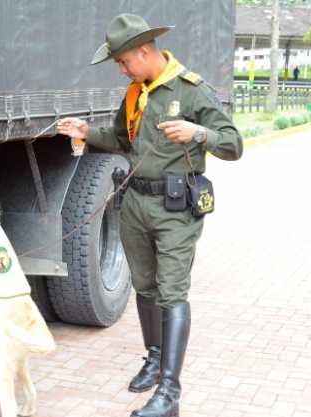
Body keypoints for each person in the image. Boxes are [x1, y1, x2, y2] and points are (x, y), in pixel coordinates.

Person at [57, 14, 243, 417]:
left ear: (144, 51)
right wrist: (87, 133)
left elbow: (233, 144)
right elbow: (122, 141)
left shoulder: (191, 91)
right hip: (136, 204)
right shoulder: (134, 94)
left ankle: (169, 394)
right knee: (144, 287)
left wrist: (199, 134)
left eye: (123, 62)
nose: (121, 69)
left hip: (176, 209)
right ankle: (155, 360)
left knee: (172, 291)